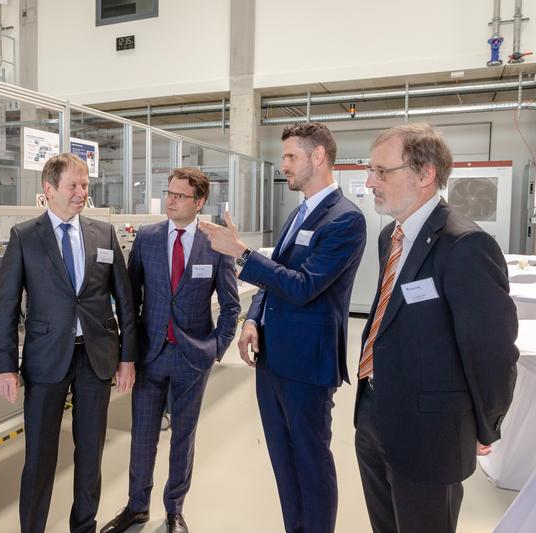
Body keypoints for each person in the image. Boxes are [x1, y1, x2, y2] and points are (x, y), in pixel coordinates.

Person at [199, 122, 367, 533]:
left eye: (291, 156)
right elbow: (278, 278)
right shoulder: (299, 212)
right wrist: (254, 319)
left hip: (307, 367)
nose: (284, 164)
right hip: (272, 360)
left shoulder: (345, 220)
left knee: (311, 464)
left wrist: (240, 252)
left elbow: (305, 286)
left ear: (319, 157)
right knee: (283, 462)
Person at [354, 123, 519, 533]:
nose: (369, 181)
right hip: (374, 414)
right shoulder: (390, 237)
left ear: (425, 174)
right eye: (370, 170)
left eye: (381, 171)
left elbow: (492, 351)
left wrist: (486, 424)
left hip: (431, 433)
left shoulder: (465, 245)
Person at [0, 153, 137, 533]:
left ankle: (83, 526)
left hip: (96, 358)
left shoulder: (103, 234)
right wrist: (4, 366)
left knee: (90, 454)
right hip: (46, 359)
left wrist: (128, 358)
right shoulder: (25, 236)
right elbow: (6, 305)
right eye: (73, 186)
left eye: (85, 185)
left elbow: (124, 299)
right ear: (49, 189)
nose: (81, 193)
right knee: (40, 457)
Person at [100, 168, 240, 533]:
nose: (171, 200)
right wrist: (127, 354)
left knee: (184, 436)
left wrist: (216, 348)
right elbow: (130, 301)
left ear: (200, 202)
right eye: (169, 193)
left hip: (194, 356)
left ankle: (174, 508)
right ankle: (136, 506)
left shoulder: (215, 243)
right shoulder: (147, 238)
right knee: (143, 435)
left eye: (180, 196)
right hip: (151, 353)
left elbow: (230, 305)